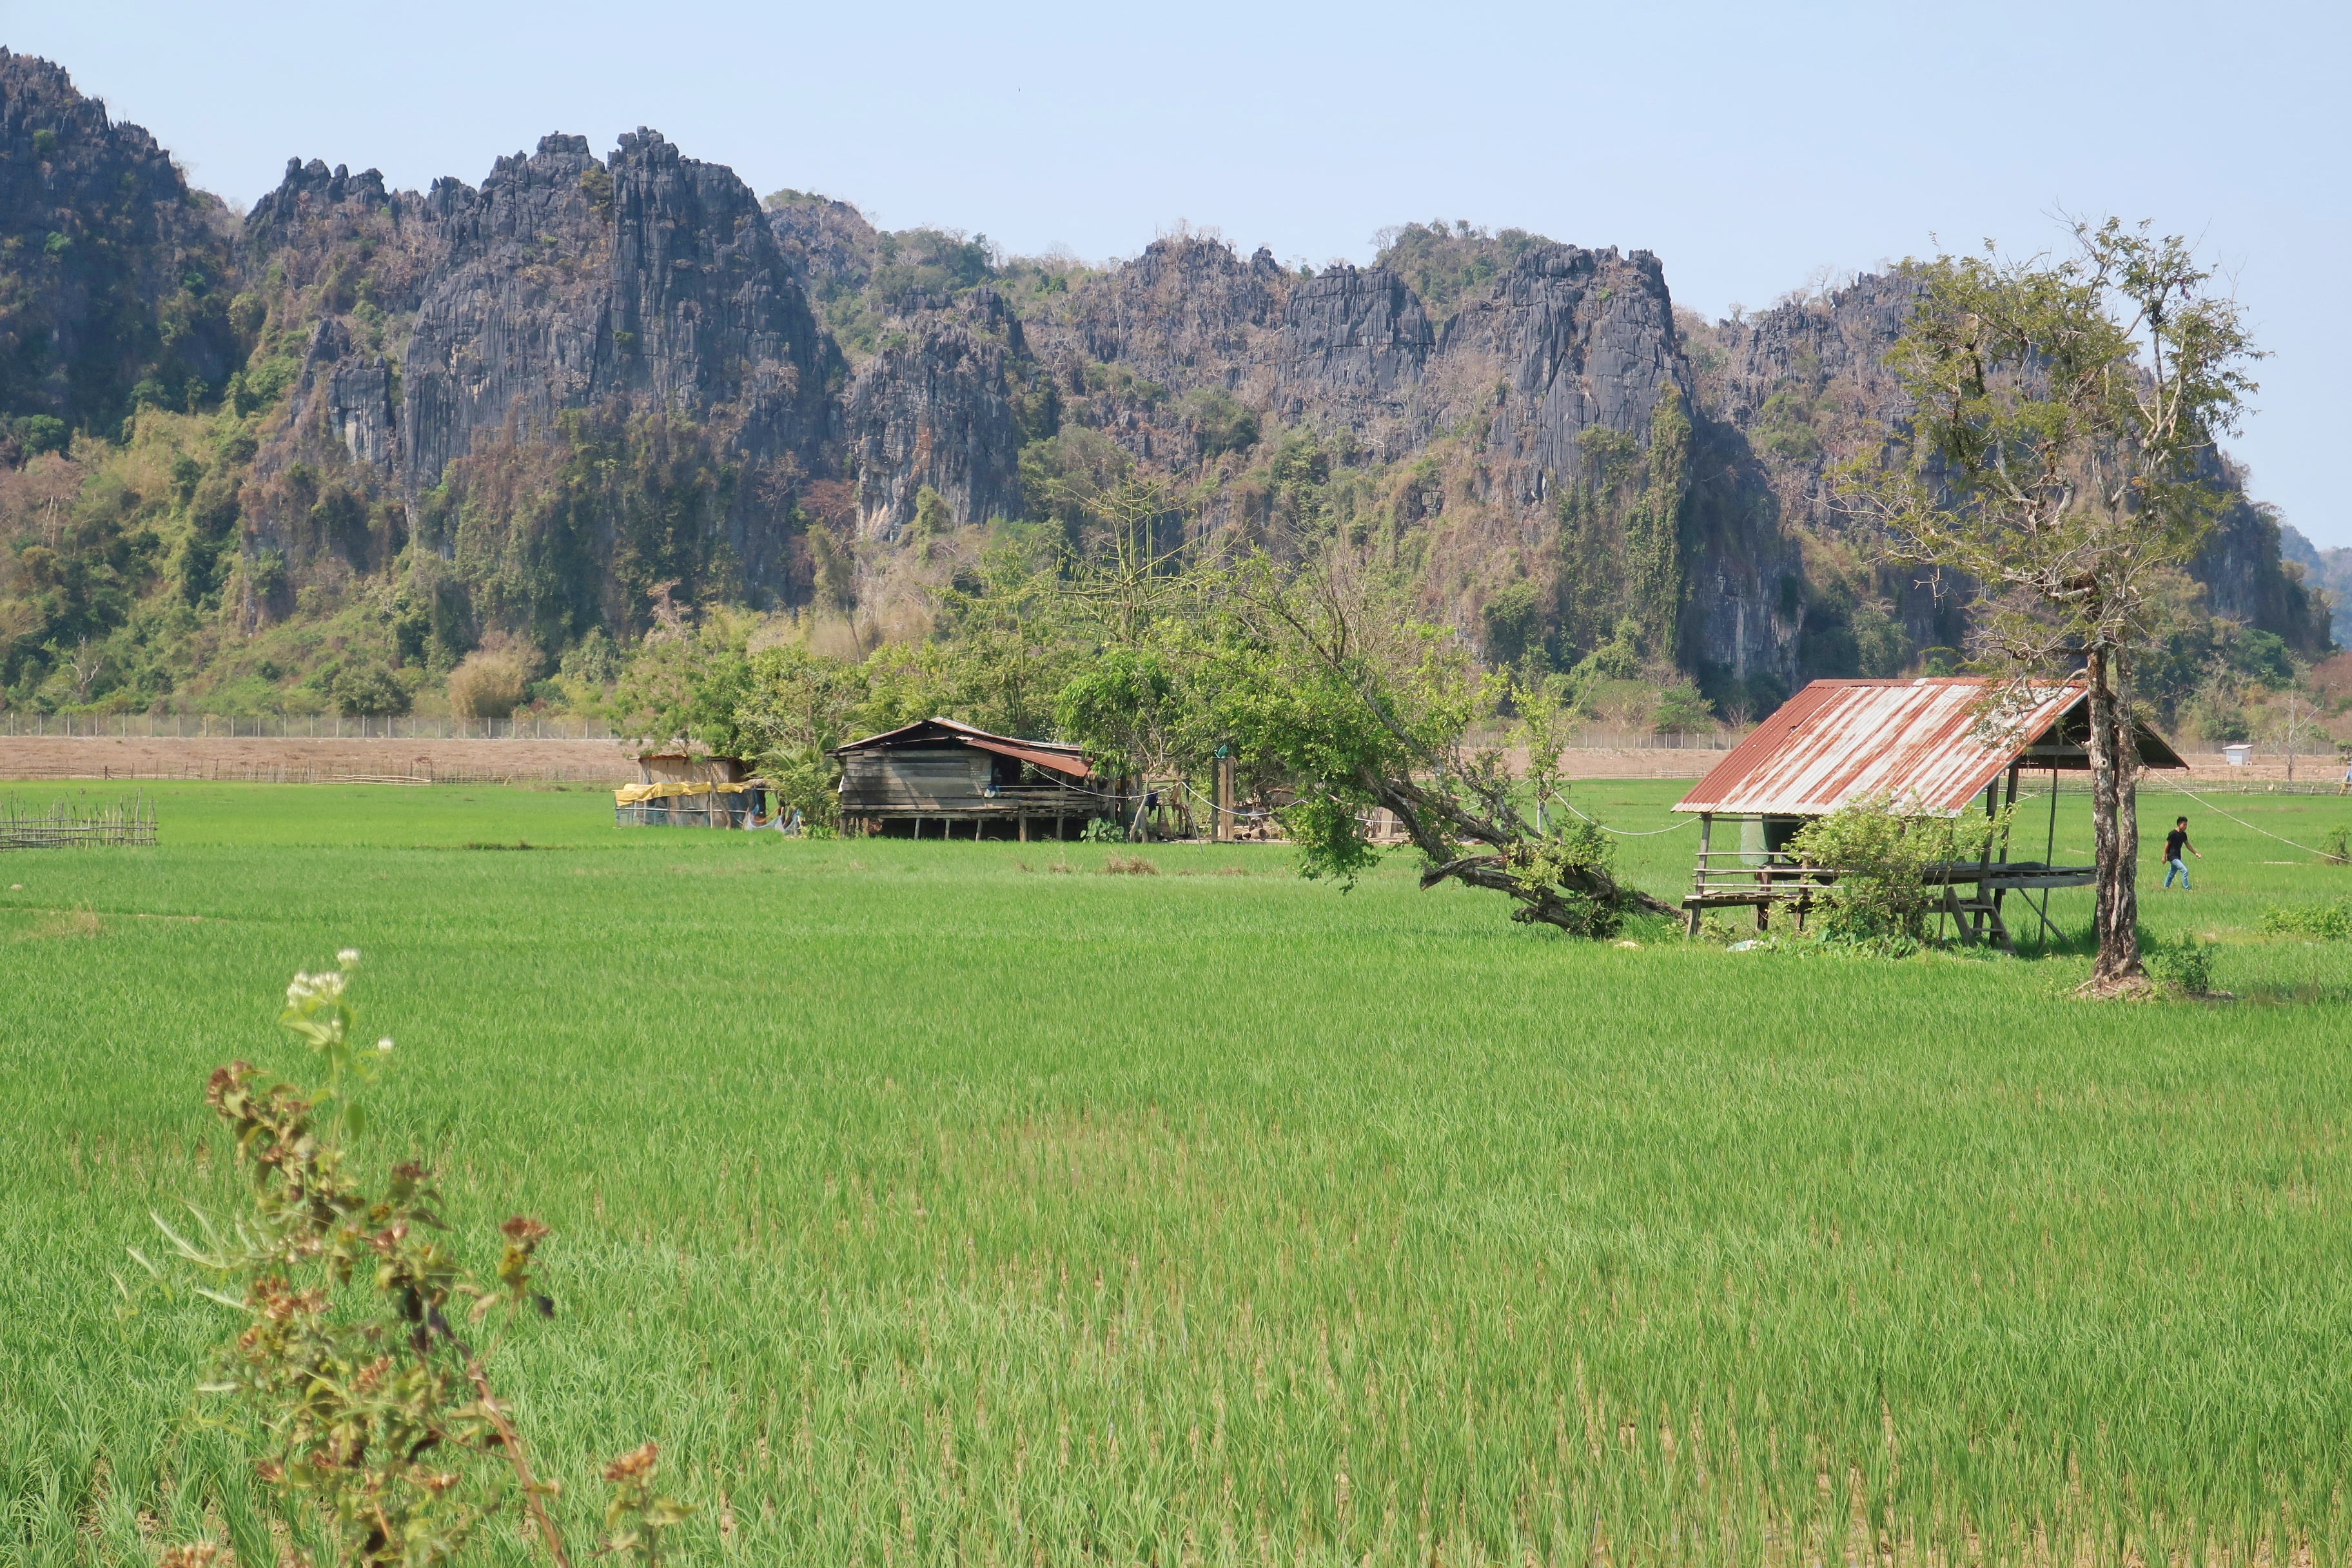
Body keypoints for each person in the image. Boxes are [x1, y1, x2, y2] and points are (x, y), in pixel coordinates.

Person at [2162, 816, 2200, 889]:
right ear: (2179, 824)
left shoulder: (2183, 834)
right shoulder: (2173, 833)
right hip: (2172, 856)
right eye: (2184, 825)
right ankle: (2187, 888)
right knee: (2184, 870)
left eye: (2186, 825)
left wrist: (2196, 853)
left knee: (2172, 872)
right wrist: (2164, 856)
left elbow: (2188, 845)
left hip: (2178, 856)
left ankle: (2166, 887)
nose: (2185, 827)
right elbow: (2167, 844)